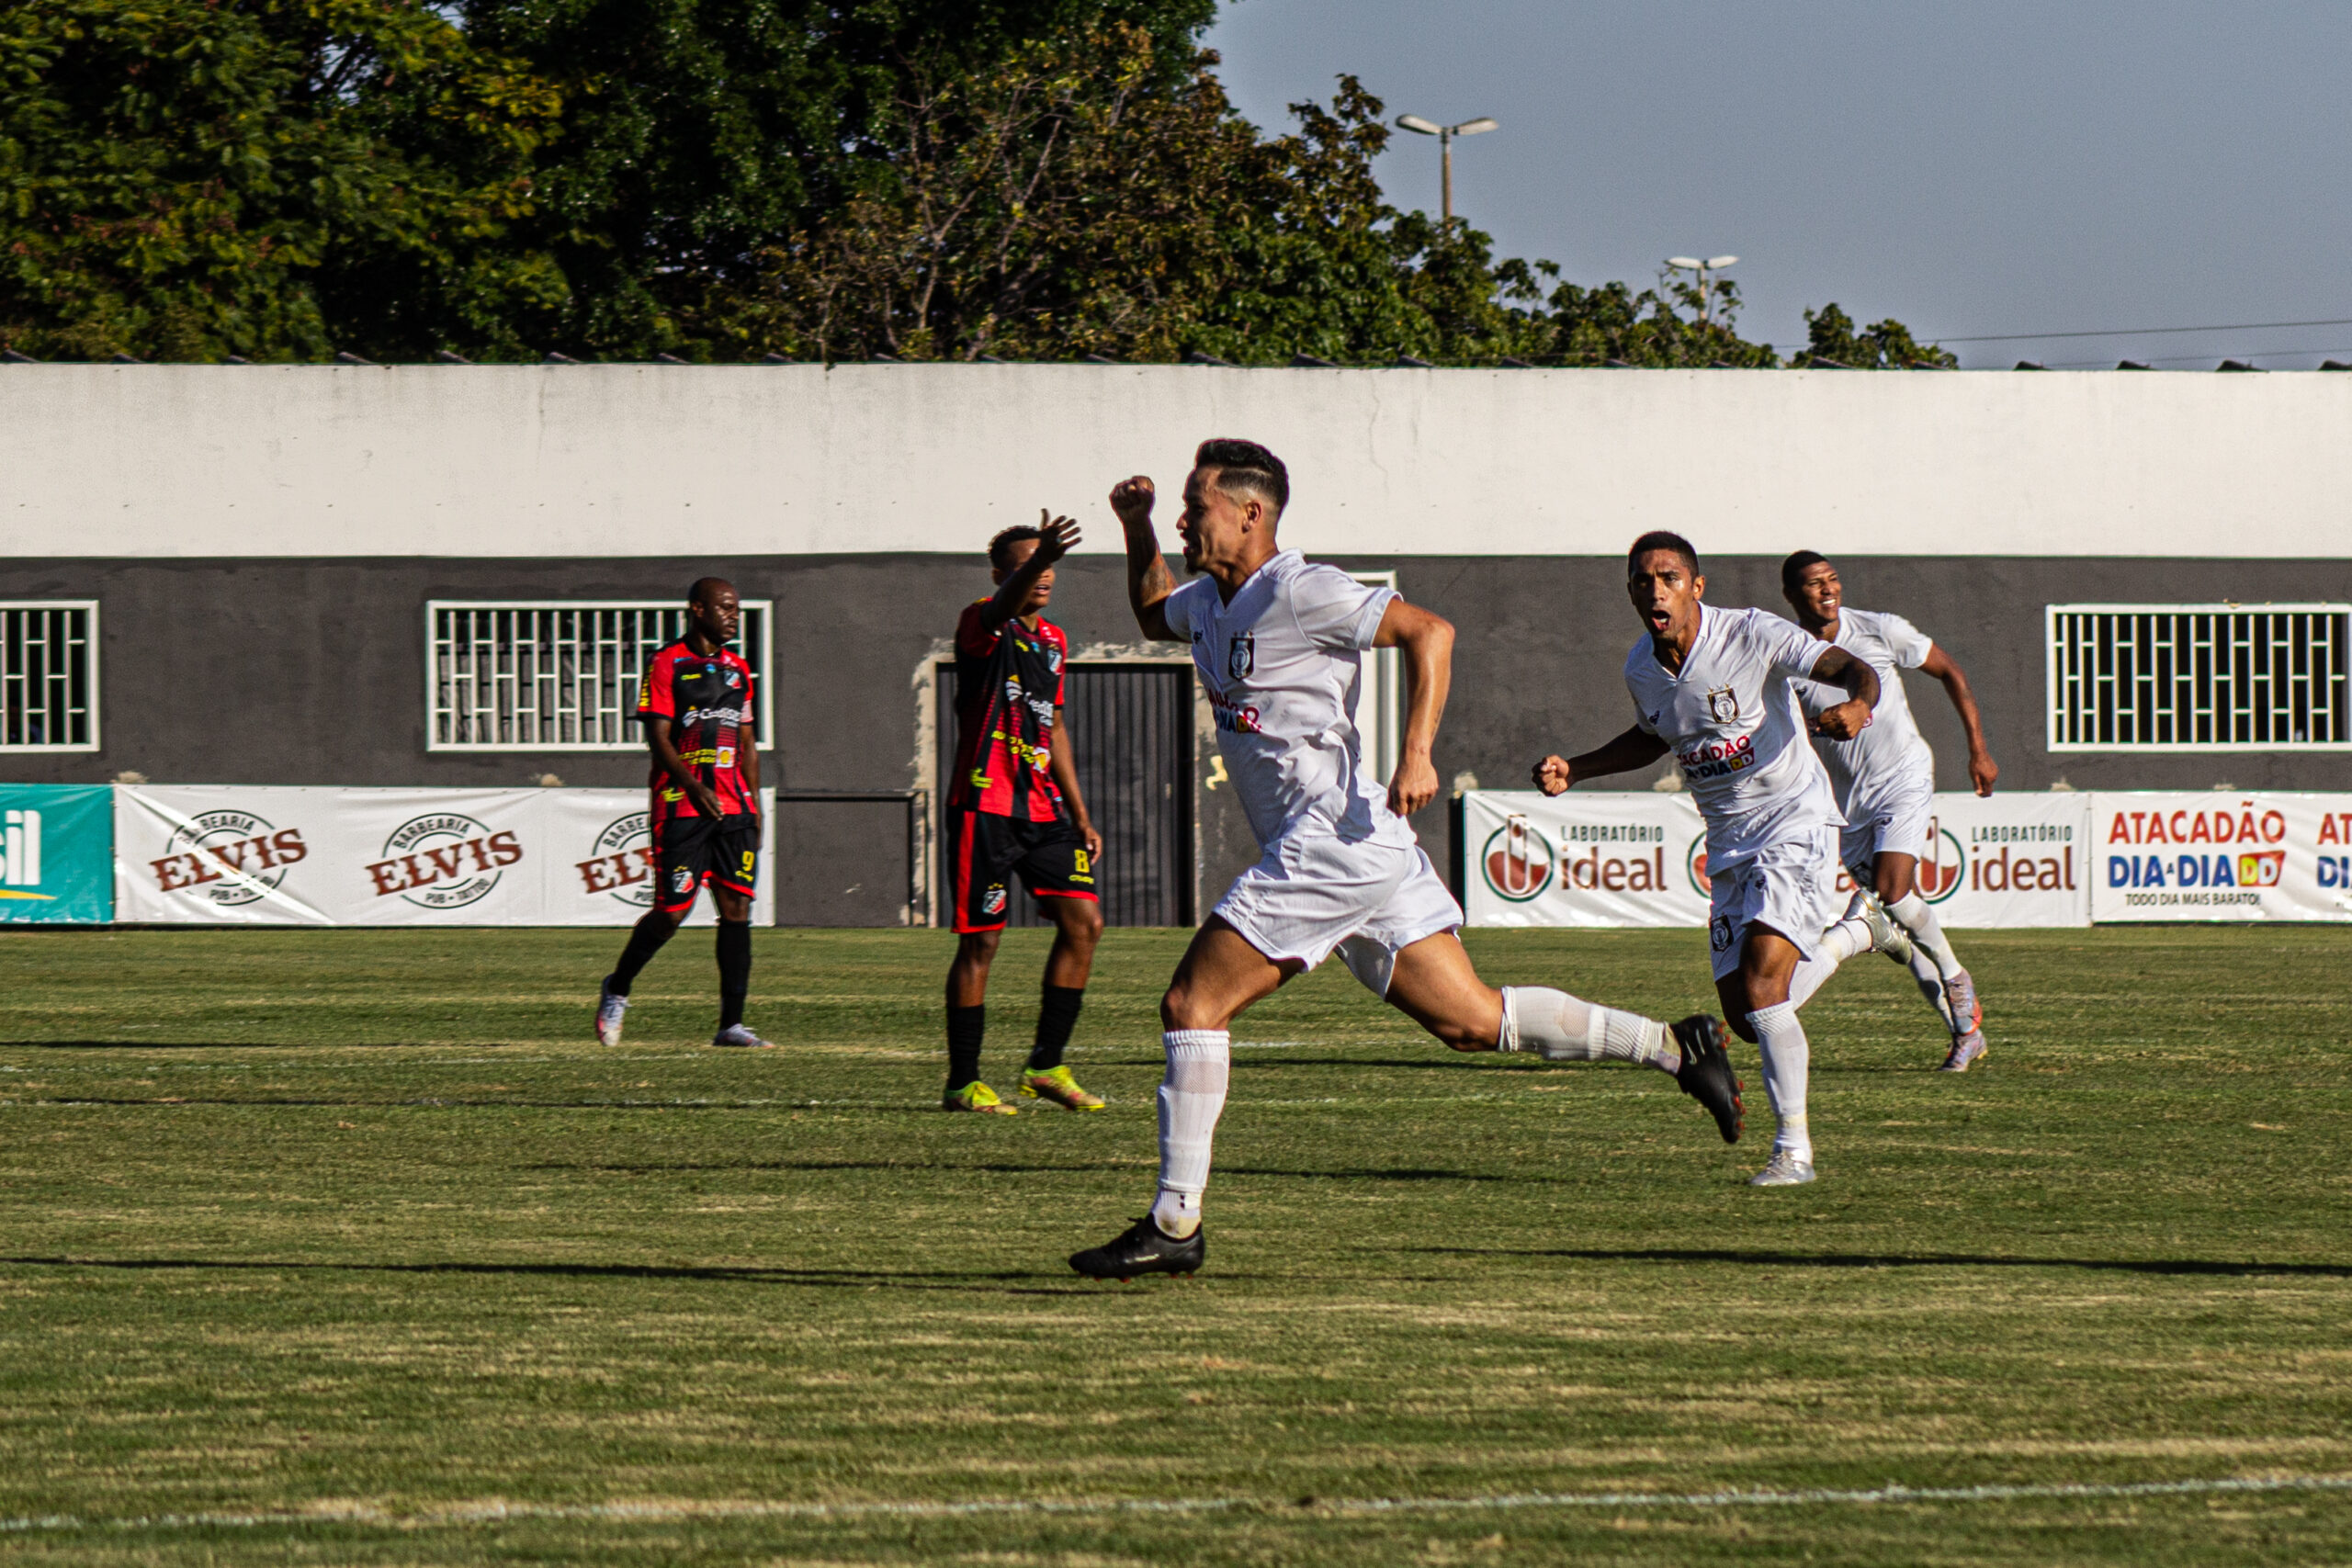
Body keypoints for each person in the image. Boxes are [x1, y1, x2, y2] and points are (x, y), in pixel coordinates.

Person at [1070, 441, 1743, 1281]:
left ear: (1250, 513)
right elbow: (1148, 613)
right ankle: (1676, 1047)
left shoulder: (1301, 588)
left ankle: (1175, 1221)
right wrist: (1134, 528)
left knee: (1191, 1002)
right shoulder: (1208, 598)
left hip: (1331, 843)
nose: (1181, 517)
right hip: (1366, 850)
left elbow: (1432, 631)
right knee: (1474, 1021)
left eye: (1192, 505)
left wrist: (1418, 751)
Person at [1533, 533, 1901, 1188]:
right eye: (1642, 581)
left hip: (1796, 822)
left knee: (1764, 991)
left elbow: (1852, 668)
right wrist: (1578, 768)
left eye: (1668, 577)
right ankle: (1856, 933)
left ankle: (1795, 1151)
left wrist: (1859, 703)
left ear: (1695, 587)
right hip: (1729, 843)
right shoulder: (1641, 667)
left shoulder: (1753, 633)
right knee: (1746, 1014)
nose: (1655, 590)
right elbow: (1652, 737)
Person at [1781, 551, 1997, 1072]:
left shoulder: (1878, 631)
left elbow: (1950, 671)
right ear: (1792, 596)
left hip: (1903, 776)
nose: (1827, 589)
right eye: (1814, 584)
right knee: (1901, 926)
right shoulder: (1786, 658)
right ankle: (1966, 1034)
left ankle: (1955, 975)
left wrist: (1978, 749)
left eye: (1832, 579)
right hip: (1847, 808)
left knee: (1895, 889)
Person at [940, 513, 1108, 1114]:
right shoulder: (981, 623)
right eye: (1025, 565)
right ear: (1000, 575)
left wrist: (1082, 813)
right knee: (981, 945)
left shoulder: (1054, 642)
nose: (1041, 575)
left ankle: (1047, 1064)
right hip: (984, 804)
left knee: (1084, 923)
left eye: (1047, 563)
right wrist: (1036, 560)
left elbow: (1055, 725)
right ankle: (963, 1082)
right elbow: (999, 608)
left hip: (1043, 808)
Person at [595, 578, 767, 1049]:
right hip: (683, 805)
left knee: (737, 909)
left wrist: (756, 805)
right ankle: (618, 987)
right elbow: (659, 739)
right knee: (672, 912)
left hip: (734, 808)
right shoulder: (667, 663)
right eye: (726, 608)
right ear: (698, 609)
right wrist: (694, 785)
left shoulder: (739, 669)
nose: (734, 615)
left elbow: (748, 742)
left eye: (737, 608)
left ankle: (731, 1024)